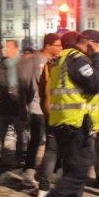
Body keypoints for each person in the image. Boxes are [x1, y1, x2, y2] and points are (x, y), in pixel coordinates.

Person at [21, 30, 99, 197]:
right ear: (92, 43)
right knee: (79, 172)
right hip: (74, 125)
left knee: (74, 171)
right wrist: (98, 56)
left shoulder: (62, 59)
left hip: (65, 123)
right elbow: (95, 84)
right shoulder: (77, 59)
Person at [18, 34, 60, 186]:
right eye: (57, 45)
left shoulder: (56, 61)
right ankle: (28, 170)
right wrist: (23, 110)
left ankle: (47, 173)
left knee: (51, 143)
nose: (60, 48)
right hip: (37, 108)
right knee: (35, 140)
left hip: (52, 109)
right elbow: (23, 86)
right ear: (48, 45)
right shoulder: (34, 60)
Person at [36, 32, 68, 197]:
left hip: (52, 113)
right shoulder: (75, 63)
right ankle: (65, 187)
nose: (60, 48)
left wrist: (46, 108)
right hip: (72, 116)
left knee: (52, 150)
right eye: (58, 45)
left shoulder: (49, 65)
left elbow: (42, 91)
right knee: (67, 151)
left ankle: (44, 188)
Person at [0, 39, 25, 161]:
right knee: (1, 133)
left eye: (9, 47)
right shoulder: (2, 64)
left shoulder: (23, 63)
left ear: (17, 49)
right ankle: (1, 155)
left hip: (18, 105)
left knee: (20, 134)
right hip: (4, 103)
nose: (5, 49)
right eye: (5, 47)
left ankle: (19, 155)